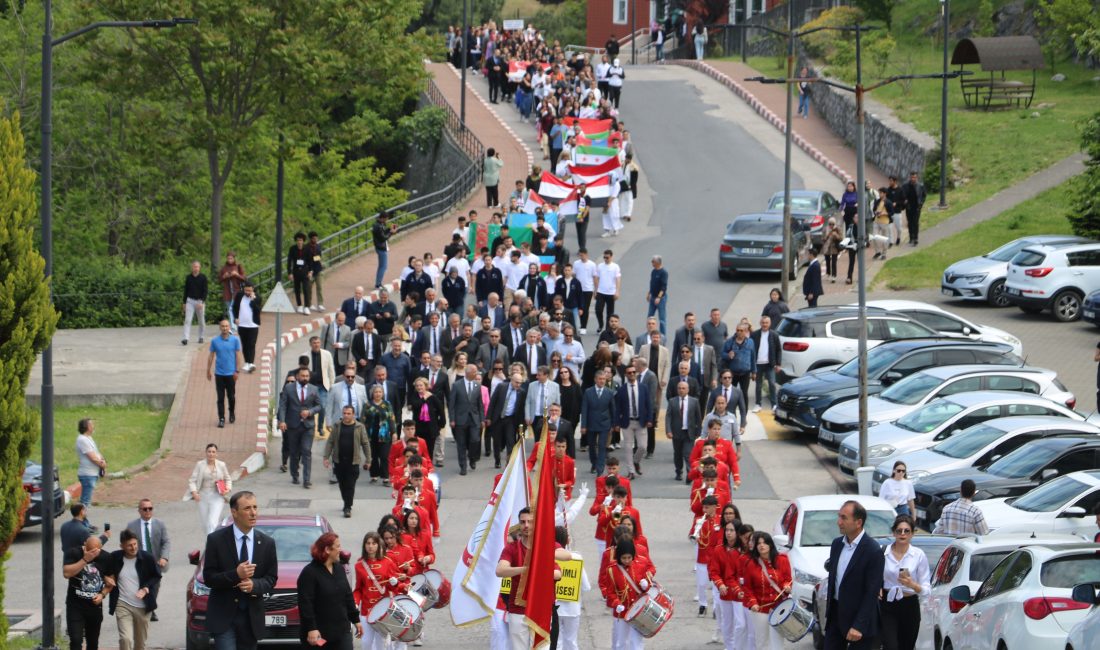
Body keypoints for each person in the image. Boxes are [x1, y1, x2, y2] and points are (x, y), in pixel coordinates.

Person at [202, 491, 278, 649]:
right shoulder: (216, 540)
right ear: (234, 512)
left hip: (251, 618)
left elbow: (271, 578)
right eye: (247, 508)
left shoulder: (266, 543)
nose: (253, 513)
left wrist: (255, 585)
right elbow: (209, 578)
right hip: (223, 616)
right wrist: (235, 574)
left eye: (255, 507)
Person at [824, 500, 884, 650]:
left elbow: (872, 592)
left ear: (858, 522)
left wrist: (858, 625)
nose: (839, 522)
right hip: (836, 616)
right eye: (839, 516)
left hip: (859, 619)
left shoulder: (873, 550)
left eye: (844, 518)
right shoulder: (837, 544)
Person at [881, 515, 930, 650]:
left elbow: (927, 589)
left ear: (912, 534)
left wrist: (912, 584)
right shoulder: (883, 553)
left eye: (906, 531)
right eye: (899, 530)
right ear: (894, 533)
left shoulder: (918, 555)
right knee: (891, 646)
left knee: (906, 646)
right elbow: (873, 576)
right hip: (888, 604)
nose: (902, 534)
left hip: (909, 604)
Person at [108, 528, 162, 650]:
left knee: (140, 644)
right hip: (123, 604)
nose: (133, 548)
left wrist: (146, 588)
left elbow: (157, 575)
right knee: (125, 639)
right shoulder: (115, 557)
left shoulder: (147, 558)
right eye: (129, 546)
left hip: (143, 606)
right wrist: (107, 578)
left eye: (135, 544)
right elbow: (102, 568)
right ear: (121, 546)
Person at [63, 535, 116, 650]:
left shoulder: (106, 557)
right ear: (84, 544)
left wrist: (102, 595)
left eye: (94, 552)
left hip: (94, 607)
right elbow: (66, 573)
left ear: (100, 549)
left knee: (92, 643)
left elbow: (111, 583)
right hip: (75, 605)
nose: (91, 554)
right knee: (76, 640)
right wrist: (84, 560)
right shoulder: (73, 553)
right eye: (87, 550)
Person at [354, 531, 405, 650]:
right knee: (366, 643)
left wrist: (395, 582)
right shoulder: (359, 565)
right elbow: (358, 589)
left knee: (380, 644)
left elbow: (395, 587)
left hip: (383, 611)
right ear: (364, 545)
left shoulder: (387, 562)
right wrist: (355, 602)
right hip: (366, 610)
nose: (370, 546)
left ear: (378, 545)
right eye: (368, 543)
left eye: (373, 543)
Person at [741, 531, 792, 650]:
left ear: (770, 544)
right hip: (760, 608)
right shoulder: (750, 564)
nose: (761, 545)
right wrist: (752, 602)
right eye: (758, 543)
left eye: (764, 543)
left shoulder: (782, 559)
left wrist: (787, 587)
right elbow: (747, 587)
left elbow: (788, 579)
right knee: (762, 642)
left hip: (779, 607)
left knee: (778, 641)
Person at [602, 539, 655, 650]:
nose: (626, 560)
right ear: (618, 557)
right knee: (621, 643)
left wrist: (646, 585)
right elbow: (610, 592)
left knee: (636, 643)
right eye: (623, 558)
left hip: (638, 611)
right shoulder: (612, 570)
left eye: (629, 558)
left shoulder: (641, 565)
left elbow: (647, 587)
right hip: (622, 611)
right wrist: (616, 603)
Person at [278, 367, 323, 488]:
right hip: (292, 425)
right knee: (294, 452)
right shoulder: (288, 388)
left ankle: (307, 479)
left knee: (306, 451)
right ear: (297, 377)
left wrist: (310, 412)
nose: (305, 378)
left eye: (307, 376)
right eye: (303, 376)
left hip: (308, 426)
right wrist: (282, 421)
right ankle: (294, 475)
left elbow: (319, 406)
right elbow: (282, 406)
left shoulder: (314, 389)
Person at [323, 406, 371, 518]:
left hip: (353, 461)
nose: (346, 415)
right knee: (342, 484)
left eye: (349, 413)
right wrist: (326, 457)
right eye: (344, 413)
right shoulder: (337, 426)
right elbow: (330, 442)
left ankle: (347, 507)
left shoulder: (359, 427)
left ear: (353, 414)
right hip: (339, 461)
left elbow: (365, 443)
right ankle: (347, 502)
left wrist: (368, 459)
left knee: (350, 484)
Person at [615, 365, 654, 478]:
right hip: (627, 422)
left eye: (633, 372)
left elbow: (649, 404)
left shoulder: (643, 387)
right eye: (629, 373)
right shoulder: (622, 390)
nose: (631, 374)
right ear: (626, 375)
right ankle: (631, 471)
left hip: (641, 421)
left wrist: (650, 419)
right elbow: (618, 408)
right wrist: (616, 423)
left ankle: (636, 461)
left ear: (636, 373)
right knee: (627, 447)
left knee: (642, 446)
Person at [449, 364, 485, 475]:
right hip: (460, 419)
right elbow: (452, 404)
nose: (476, 374)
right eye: (475, 372)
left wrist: (482, 419)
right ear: (468, 373)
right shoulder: (456, 385)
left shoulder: (477, 385)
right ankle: (463, 466)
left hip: (474, 419)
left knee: (475, 440)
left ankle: (472, 458)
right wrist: (452, 419)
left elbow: (480, 404)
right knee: (461, 444)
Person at [581, 369, 618, 476]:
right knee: (592, 446)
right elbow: (584, 410)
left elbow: (613, 410)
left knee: (602, 446)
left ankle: (600, 469)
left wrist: (614, 424)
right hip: (591, 424)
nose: (602, 381)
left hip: (604, 424)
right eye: (600, 379)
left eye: (604, 379)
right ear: (595, 380)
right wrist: (583, 425)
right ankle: (594, 462)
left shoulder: (610, 393)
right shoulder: (588, 392)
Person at [207, 320, 243, 428]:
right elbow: (211, 356)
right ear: (219, 327)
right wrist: (208, 370)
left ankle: (231, 412)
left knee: (231, 397)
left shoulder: (235, 340)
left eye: (226, 326)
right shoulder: (215, 341)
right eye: (222, 326)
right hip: (219, 374)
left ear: (229, 327)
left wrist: (237, 371)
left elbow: (238, 356)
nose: (224, 328)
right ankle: (221, 418)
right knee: (220, 398)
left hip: (231, 374)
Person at [189, 443, 231, 535]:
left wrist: (227, 489)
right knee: (205, 524)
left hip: (217, 496)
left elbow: (228, 478)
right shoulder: (200, 465)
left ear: (216, 454)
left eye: (213, 452)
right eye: (209, 452)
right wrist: (194, 493)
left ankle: (211, 547)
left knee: (212, 522)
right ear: (206, 452)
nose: (211, 454)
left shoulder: (221, 465)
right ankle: (210, 542)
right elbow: (192, 480)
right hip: (202, 496)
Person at [666, 380, 702, 482]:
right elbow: (668, 416)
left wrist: (699, 432)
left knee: (688, 453)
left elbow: (698, 418)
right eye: (679, 388)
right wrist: (668, 430)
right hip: (676, 432)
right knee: (677, 453)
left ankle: (690, 473)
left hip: (689, 432)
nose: (681, 390)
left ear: (688, 390)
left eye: (683, 388)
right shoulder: (672, 401)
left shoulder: (694, 401)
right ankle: (678, 471)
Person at [125, 499, 170, 578]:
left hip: (156, 563)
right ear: (139, 511)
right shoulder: (131, 526)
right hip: (139, 563)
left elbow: (166, 542)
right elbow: (126, 544)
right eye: (145, 509)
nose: (148, 511)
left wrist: (164, 557)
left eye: (150, 508)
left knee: (154, 588)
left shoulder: (160, 524)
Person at [750, 316, 781, 412]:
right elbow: (751, 350)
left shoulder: (774, 335)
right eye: (763, 322)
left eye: (766, 323)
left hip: (770, 364)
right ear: (760, 323)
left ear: (769, 324)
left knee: (772, 384)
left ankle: (774, 405)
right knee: (758, 385)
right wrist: (751, 366)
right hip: (758, 364)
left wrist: (778, 364)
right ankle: (758, 404)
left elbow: (778, 350)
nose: (764, 324)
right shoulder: (754, 334)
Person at [76, 418, 107, 512]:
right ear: (86, 427)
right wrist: (102, 465)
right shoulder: (82, 440)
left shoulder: (88, 438)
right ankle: (82, 524)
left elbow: (96, 453)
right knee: (85, 502)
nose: (93, 426)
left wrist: (103, 460)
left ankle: (84, 523)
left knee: (86, 502)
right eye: (91, 425)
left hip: (92, 473)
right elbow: (92, 457)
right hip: (87, 474)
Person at [232, 283, 261, 372]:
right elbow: (234, 307)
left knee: (251, 344)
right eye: (246, 290)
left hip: (253, 325)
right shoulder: (239, 295)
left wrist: (252, 300)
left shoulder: (258, 297)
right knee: (244, 344)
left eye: (249, 290)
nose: (247, 292)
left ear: (253, 290)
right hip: (242, 325)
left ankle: (251, 363)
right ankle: (247, 363)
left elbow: (257, 310)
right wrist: (235, 318)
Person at [217, 252, 247, 333]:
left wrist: (236, 274)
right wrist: (224, 276)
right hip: (227, 293)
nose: (229, 260)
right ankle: (234, 326)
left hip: (236, 292)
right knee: (230, 309)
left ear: (234, 258)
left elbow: (244, 278)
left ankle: (233, 328)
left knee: (231, 309)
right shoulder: (224, 268)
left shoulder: (238, 266)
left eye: (231, 258)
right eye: (228, 258)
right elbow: (219, 280)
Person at [594, 250, 621, 333]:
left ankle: (607, 329)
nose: (605, 259)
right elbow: (596, 278)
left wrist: (617, 291)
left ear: (611, 257)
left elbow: (618, 279)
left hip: (611, 292)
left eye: (607, 257)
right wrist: (595, 290)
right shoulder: (600, 266)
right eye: (604, 257)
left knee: (610, 313)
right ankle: (601, 324)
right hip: (601, 292)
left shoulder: (615, 267)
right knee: (598, 310)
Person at [182, 260, 208, 345]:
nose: (195, 268)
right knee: (187, 320)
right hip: (190, 301)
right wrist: (184, 302)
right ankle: (185, 338)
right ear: (192, 267)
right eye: (194, 266)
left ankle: (201, 337)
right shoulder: (188, 278)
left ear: (199, 268)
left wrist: (202, 301)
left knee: (201, 321)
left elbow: (205, 291)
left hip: (199, 301)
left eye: (197, 267)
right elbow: (186, 290)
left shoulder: (203, 277)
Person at [572, 249, 597, 334]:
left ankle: (583, 326)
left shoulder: (592, 264)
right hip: (578, 289)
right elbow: (574, 275)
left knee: (585, 308)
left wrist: (595, 290)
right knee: (578, 307)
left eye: (582, 255)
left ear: (586, 254)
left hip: (588, 289)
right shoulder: (576, 263)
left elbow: (594, 277)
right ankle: (577, 324)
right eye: (580, 255)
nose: (581, 257)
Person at [288, 232, 313, 314]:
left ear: (303, 241)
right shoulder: (292, 249)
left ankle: (306, 306)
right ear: (296, 241)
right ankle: (299, 305)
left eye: (301, 240)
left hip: (305, 271)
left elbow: (310, 260)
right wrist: (290, 273)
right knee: (297, 289)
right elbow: (289, 261)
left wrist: (310, 271)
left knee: (306, 289)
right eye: (298, 240)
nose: (299, 242)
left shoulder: (307, 249)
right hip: (296, 271)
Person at [840, 181, 859, 284]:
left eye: (851, 186)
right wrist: (841, 210)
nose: (850, 188)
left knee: (860, 261)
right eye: (848, 186)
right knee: (851, 261)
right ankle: (849, 277)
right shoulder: (845, 194)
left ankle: (861, 278)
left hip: (854, 210)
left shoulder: (857, 194)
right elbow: (842, 203)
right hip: (847, 213)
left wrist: (857, 208)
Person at [372, 212, 397, 290]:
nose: (387, 220)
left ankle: (378, 283)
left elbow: (383, 233)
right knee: (383, 266)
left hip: (380, 247)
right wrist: (391, 233)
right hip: (381, 248)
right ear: (382, 218)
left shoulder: (379, 225)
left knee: (381, 266)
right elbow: (383, 238)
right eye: (386, 219)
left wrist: (389, 229)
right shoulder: (378, 226)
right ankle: (378, 284)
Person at [646, 256, 668, 336]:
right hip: (653, 297)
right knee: (650, 317)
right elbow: (652, 284)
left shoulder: (663, 273)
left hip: (661, 299)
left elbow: (663, 287)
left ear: (658, 263)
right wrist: (649, 293)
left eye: (653, 262)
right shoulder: (653, 271)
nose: (652, 263)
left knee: (662, 319)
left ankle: (662, 336)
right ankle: (649, 333)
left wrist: (659, 297)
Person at [903, 171, 926, 246]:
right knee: (910, 223)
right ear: (910, 177)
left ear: (917, 178)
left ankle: (915, 238)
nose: (913, 179)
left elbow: (924, 195)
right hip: (909, 207)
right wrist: (905, 201)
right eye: (912, 177)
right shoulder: (905, 186)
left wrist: (921, 204)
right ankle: (911, 237)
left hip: (917, 207)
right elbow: (903, 195)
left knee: (915, 223)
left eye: (915, 177)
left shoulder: (920, 186)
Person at [821, 219, 842, 284]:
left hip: (834, 248)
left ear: (834, 224)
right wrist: (827, 235)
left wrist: (836, 235)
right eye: (830, 224)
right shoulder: (825, 229)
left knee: (834, 263)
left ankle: (834, 276)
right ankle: (828, 273)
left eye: (833, 224)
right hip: (827, 247)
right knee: (827, 261)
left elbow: (841, 238)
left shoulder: (837, 229)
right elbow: (822, 238)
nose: (831, 225)